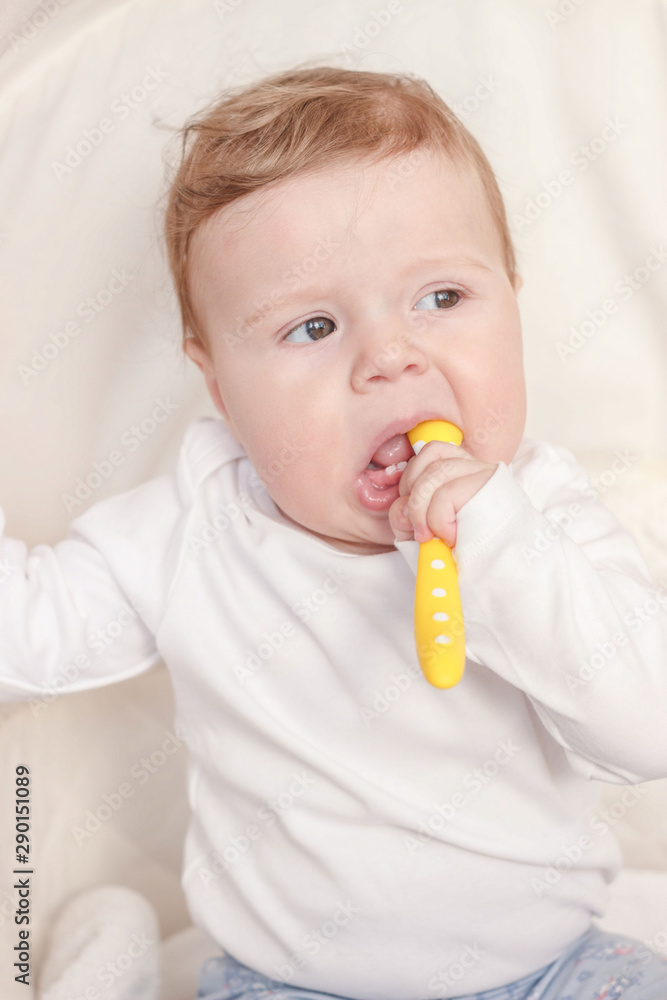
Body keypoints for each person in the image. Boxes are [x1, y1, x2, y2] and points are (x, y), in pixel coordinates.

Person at [3, 65, 667, 1000]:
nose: (390, 358)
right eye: (312, 326)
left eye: (441, 299)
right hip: (287, 985)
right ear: (220, 386)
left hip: (552, 971)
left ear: (513, 303)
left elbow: (646, 731)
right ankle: (105, 963)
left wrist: (502, 548)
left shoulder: (542, 514)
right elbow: (30, 631)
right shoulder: (196, 528)